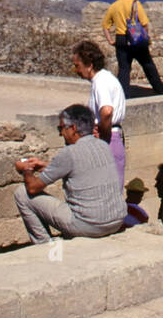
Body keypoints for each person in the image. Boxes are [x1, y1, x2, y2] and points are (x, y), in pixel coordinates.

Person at [13, 104, 126, 245]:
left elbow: (33, 188)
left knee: (22, 193)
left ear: (73, 129)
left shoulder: (69, 152)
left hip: (90, 225)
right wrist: (46, 166)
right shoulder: (103, 145)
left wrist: (26, 169)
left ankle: (45, 246)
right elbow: (81, 168)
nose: (61, 134)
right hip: (116, 221)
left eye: (61, 128)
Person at [71, 39, 127, 190]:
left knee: (108, 192)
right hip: (112, 137)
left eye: (78, 66)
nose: (76, 71)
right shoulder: (105, 79)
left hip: (109, 138)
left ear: (89, 65)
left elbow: (107, 111)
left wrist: (103, 133)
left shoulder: (101, 81)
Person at [101, 0, 163, 98]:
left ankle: (123, 95)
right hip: (135, 38)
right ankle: (159, 89)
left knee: (124, 68)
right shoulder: (135, 4)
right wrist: (145, 37)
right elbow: (144, 23)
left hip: (121, 38)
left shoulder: (114, 6)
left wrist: (110, 40)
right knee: (147, 64)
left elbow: (105, 26)